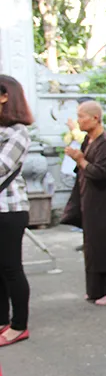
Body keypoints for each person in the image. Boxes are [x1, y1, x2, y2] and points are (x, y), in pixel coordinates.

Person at [62, 101, 106, 306]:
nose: (78, 121)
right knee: (93, 245)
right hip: (91, 201)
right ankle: (96, 289)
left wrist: (80, 160)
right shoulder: (88, 140)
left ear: (95, 118)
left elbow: (100, 172)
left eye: (82, 116)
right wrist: (78, 159)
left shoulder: (105, 143)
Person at [0, 75, 34, 347]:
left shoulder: (18, 132)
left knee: (11, 268)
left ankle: (19, 325)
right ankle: (3, 320)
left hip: (10, 209)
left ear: (5, 96)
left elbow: (2, 166)